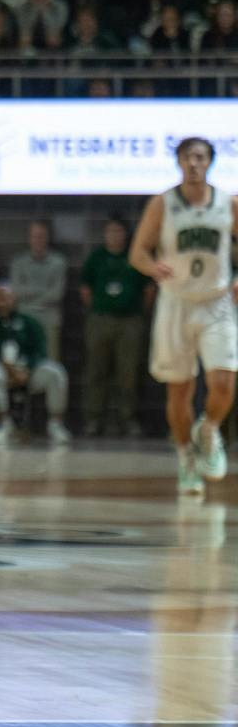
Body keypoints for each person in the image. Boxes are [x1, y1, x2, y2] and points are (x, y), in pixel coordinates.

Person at [129, 137, 235, 495]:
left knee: (224, 382)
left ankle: (208, 430)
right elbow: (138, 252)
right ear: (179, 162)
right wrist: (150, 266)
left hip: (216, 301)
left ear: (210, 163)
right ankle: (186, 459)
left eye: (200, 157)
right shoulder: (163, 204)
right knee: (180, 389)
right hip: (175, 301)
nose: (193, 163)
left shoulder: (228, 203)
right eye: (187, 157)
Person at [0, 282, 71, 447]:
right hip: (2, 372)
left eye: (6, 299)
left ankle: (56, 424)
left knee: (55, 372)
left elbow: (40, 351)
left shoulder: (30, 323)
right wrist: (10, 370)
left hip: (28, 372)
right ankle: (5, 424)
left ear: (14, 300)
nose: (2, 303)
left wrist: (27, 369)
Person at [81, 216, 152, 437]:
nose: (114, 236)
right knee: (96, 371)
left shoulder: (135, 256)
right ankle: (94, 419)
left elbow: (149, 290)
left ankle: (129, 419)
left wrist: (137, 311)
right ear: (104, 234)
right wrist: (101, 308)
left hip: (130, 321)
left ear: (126, 234)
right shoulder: (96, 258)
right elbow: (85, 290)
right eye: (110, 231)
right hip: (100, 320)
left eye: (118, 231)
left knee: (128, 373)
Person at [7, 218, 69, 359]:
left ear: (48, 238)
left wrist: (29, 296)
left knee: (51, 363)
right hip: (24, 319)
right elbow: (16, 291)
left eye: (42, 236)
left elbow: (57, 294)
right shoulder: (18, 262)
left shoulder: (59, 262)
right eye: (35, 236)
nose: (38, 239)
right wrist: (43, 290)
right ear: (29, 238)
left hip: (50, 321)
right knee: (23, 362)